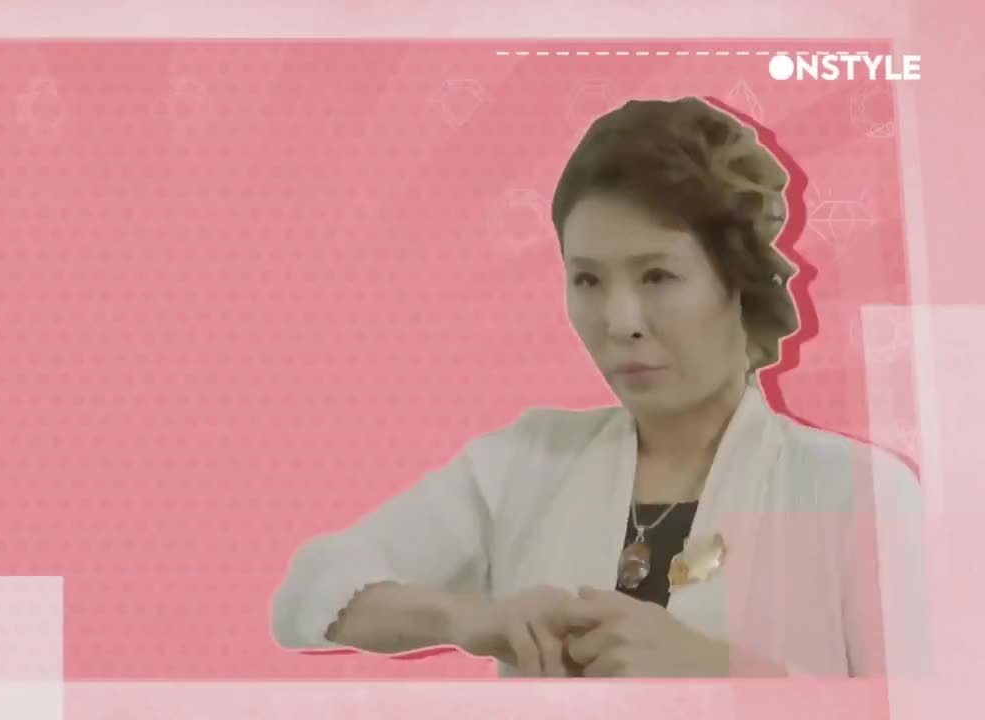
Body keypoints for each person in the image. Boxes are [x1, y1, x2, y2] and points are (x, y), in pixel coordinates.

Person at [269, 97, 928, 677]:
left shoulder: (855, 493)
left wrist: (719, 673)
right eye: (587, 280)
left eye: (657, 276)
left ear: (738, 284)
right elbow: (310, 590)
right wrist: (470, 618)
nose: (619, 322)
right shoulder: (526, 463)